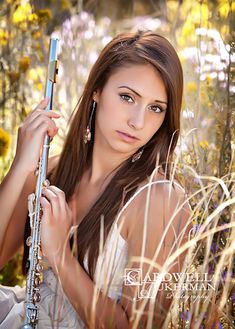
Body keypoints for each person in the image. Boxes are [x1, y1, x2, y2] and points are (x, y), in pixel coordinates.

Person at [0, 30, 192, 328]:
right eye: (127, 97)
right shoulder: (52, 172)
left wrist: (61, 256)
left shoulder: (160, 199)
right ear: (97, 90)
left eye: (156, 108)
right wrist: (20, 166)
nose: (138, 122)